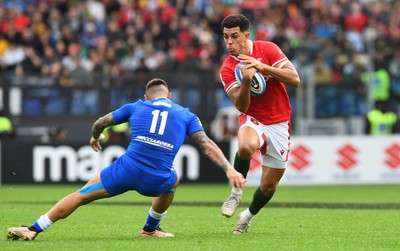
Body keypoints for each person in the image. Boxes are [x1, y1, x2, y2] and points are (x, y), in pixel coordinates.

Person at [7, 78, 246, 241]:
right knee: (174, 180)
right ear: (169, 96)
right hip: (157, 179)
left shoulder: (136, 106)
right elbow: (206, 144)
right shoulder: (186, 114)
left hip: (125, 171)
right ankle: (150, 229)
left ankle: (34, 229)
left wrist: (95, 137)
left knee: (81, 195)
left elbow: (100, 122)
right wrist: (228, 169)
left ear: (147, 96)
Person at [219, 14, 300, 234]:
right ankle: (235, 195)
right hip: (253, 118)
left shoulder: (268, 49)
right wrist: (246, 80)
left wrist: (261, 66)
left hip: (280, 122)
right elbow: (242, 107)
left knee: (268, 186)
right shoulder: (227, 69)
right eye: (226, 37)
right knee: (245, 147)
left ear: (246, 35)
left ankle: (247, 217)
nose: (229, 42)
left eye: (234, 36)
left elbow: (295, 80)